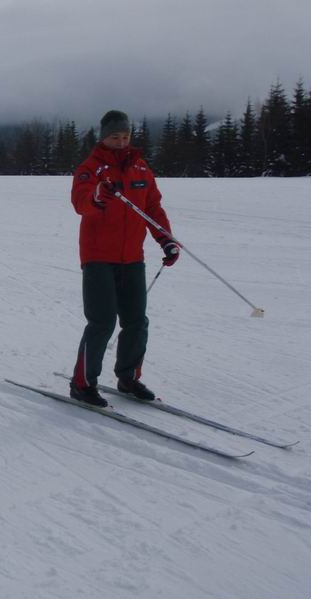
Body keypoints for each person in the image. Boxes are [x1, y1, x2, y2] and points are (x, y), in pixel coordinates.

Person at [68, 110, 180, 407]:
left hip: (132, 257)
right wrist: (97, 195)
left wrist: (166, 240)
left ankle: (128, 377)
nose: (120, 142)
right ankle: (82, 384)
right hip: (98, 257)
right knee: (102, 322)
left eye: (125, 136)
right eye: (115, 137)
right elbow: (81, 202)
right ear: (104, 137)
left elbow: (153, 209)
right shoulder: (90, 168)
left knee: (136, 321)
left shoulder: (140, 168)